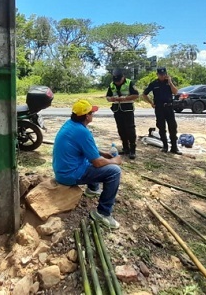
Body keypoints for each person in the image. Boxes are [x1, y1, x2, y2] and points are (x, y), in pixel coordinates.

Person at [52, 99, 123, 229]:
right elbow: (97, 163)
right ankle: (103, 213)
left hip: (63, 170)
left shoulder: (71, 125)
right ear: (87, 116)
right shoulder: (82, 132)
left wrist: (103, 154)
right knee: (114, 171)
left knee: (91, 156)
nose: (93, 114)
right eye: (92, 113)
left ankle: (92, 189)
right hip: (69, 175)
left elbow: (88, 149)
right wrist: (114, 161)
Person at [142, 67, 181, 154]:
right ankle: (165, 146)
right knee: (161, 127)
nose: (162, 76)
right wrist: (151, 102)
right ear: (157, 75)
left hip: (169, 107)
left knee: (173, 127)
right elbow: (144, 94)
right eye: (160, 75)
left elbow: (175, 92)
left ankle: (174, 147)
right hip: (159, 108)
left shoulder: (169, 82)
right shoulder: (154, 83)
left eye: (164, 74)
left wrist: (170, 82)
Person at [106, 68, 140, 159]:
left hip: (127, 110)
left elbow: (136, 95)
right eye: (115, 81)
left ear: (123, 77)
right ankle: (125, 148)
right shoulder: (112, 84)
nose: (117, 82)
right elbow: (107, 96)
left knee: (130, 130)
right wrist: (111, 99)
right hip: (117, 110)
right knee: (121, 129)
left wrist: (124, 98)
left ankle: (132, 150)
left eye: (119, 80)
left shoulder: (129, 83)